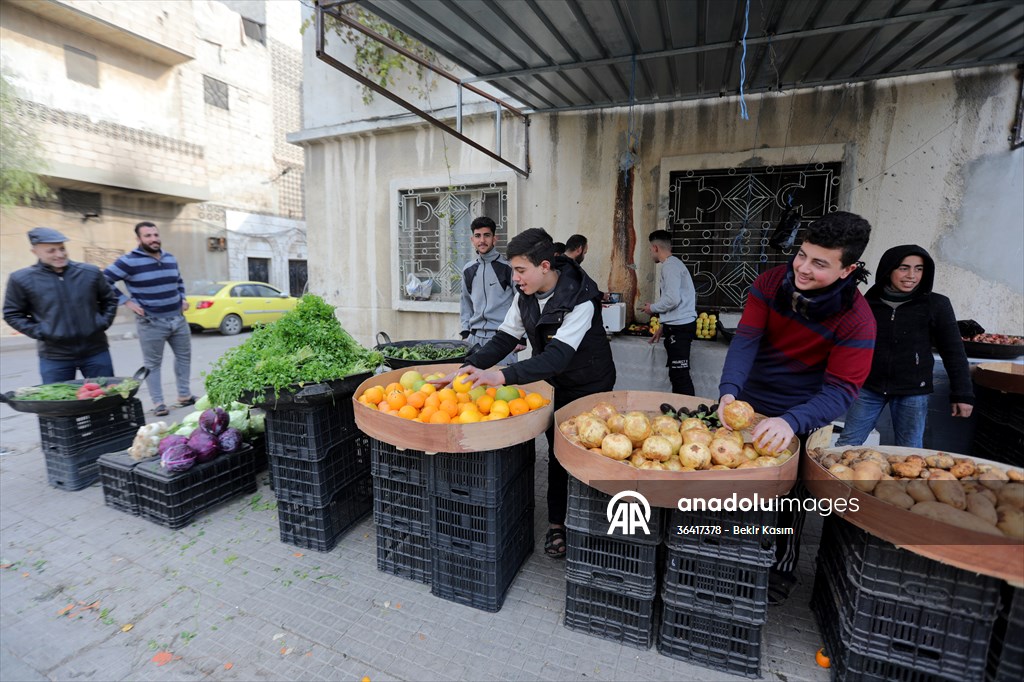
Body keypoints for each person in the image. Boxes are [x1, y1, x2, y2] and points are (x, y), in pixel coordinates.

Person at [717, 211, 876, 604]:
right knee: (734, 484)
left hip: (806, 413)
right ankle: (730, 549)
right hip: (751, 403)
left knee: (790, 499)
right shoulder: (770, 283)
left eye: (819, 263)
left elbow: (842, 390)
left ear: (847, 269)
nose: (803, 268)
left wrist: (792, 421)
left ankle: (781, 568)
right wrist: (729, 392)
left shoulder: (858, 320)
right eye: (801, 255)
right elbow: (746, 340)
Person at [446, 228, 615, 558]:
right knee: (558, 452)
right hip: (554, 384)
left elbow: (556, 356)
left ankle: (595, 520)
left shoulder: (580, 298)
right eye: (514, 270)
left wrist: (500, 376)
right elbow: (504, 338)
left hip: (590, 385)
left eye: (521, 270)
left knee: (591, 452)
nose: (515, 278)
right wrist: (467, 368)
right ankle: (557, 524)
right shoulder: (525, 295)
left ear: (545, 267)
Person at [836, 245, 973, 448]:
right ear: (888, 269)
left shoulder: (936, 304)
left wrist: (963, 394)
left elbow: (954, 353)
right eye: (903, 268)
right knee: (847, 443)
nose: (911, 275)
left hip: (913, 391)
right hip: (869, 387)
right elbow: (847, 344)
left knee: (909, 450)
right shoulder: (867, 303)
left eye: (919, 269)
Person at [3, 228, 119, 383]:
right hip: (55, 357)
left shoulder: (90, 273)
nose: (59, 254)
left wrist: (101, 323)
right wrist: (42, 332)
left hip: (96, 352)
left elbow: (110, 300)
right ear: (35, 252)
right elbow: (12, 314)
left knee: (105, 395)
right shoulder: (21, 279)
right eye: (51, 251)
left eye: (62, 248)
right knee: (59, 399)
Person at [104, 222, 195, 417]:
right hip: (151, 322)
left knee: (184, 357)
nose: (153, 239)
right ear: (138, 239)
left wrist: (183, 298)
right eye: (148, 236)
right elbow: (104, 280)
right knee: (153, 364)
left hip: (178, 319)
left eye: (155, 235)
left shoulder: (170, 258)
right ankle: (158, 402)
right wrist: (126, 301)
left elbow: (178, 281)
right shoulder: (128, 261)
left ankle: (184, 395)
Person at [459, 217, 521, 364]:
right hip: (474, 340)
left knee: (502, 379)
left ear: (494, 238)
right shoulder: (468, 269)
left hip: (502, 338)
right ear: (472, 239)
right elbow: (465, 303)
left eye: (486, 235)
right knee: (472, 378)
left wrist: (521, 337)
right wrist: (465, 333)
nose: (482, 240)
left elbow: (521, 301)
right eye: (478, 236)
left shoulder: (508, 267)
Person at [642, 230, 698, 395]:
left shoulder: (670, 267)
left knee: (680, 376)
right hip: (677, 326)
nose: (650, 253)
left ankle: (688, 410)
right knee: (676, 375)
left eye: (650, 249)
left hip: (680, 329)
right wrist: (663, 326)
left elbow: (673, 300)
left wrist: (652, 308)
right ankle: (682, 409)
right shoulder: (674, 265)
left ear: (655, 248)